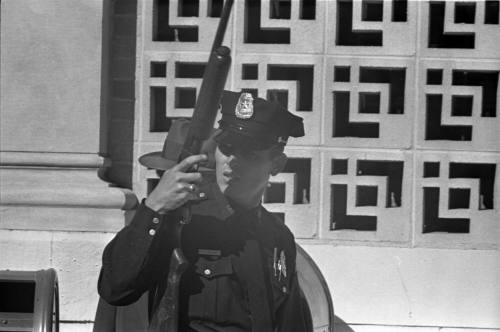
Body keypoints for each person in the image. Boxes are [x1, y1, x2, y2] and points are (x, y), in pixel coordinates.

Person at [97, 90, 312, 332]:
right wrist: (153, 207)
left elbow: (292, 323)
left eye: (248, 153)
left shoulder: (277, 237)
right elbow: (115, 288)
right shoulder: (182, 218)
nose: (232, 160)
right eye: (227, 147)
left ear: (276, 165)